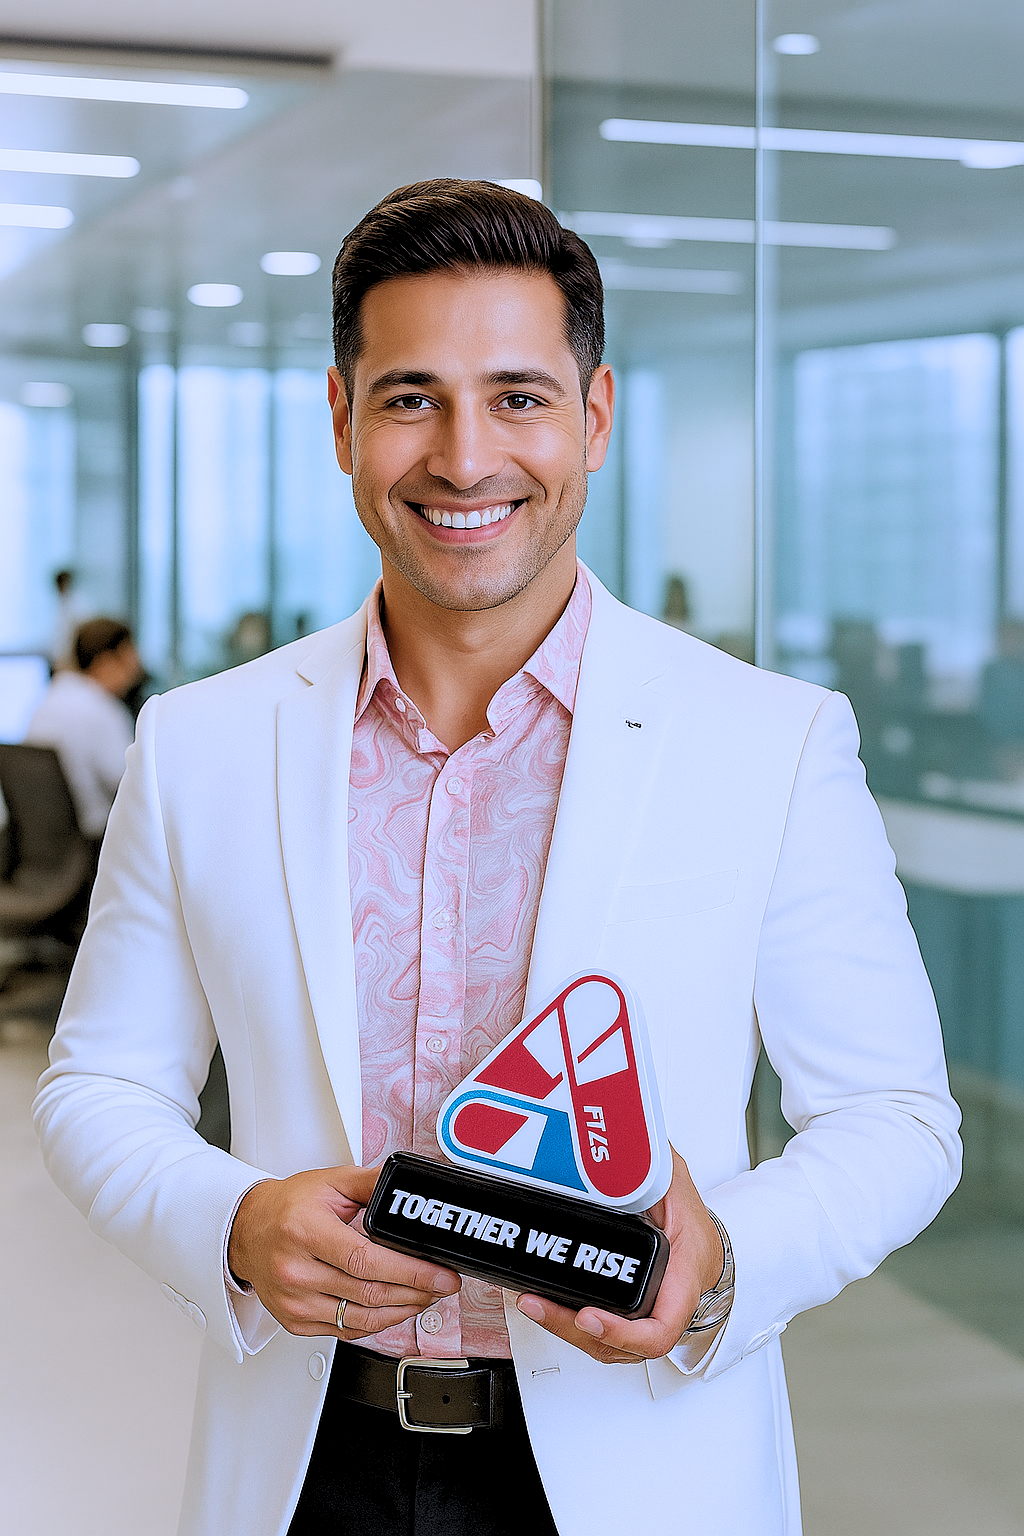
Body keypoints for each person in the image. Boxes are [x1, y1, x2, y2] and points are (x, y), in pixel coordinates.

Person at [34, 182, 961, 1536]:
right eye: (412, 397)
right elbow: (99, 1085)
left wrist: (721, 1268)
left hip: (635, 1465)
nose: (466, 458)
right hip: (307, 1464)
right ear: (344, 419)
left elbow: (895, 1116)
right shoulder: (202, 744)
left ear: (593, 415)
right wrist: (230, 1220)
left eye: (519, 397)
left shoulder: (767, 741)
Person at [25, 618, 142, 840]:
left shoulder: (51, 697)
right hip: (91, 843)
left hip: (47, 844)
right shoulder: (101, 709)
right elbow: (130, 783)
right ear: (106, 661)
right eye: (130, 655)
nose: (137, 665)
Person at [49, 568, 93, 672]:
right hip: (60, 658)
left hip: (71, 659)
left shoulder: (77, 604)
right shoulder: (60, 604)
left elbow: (81, 632)